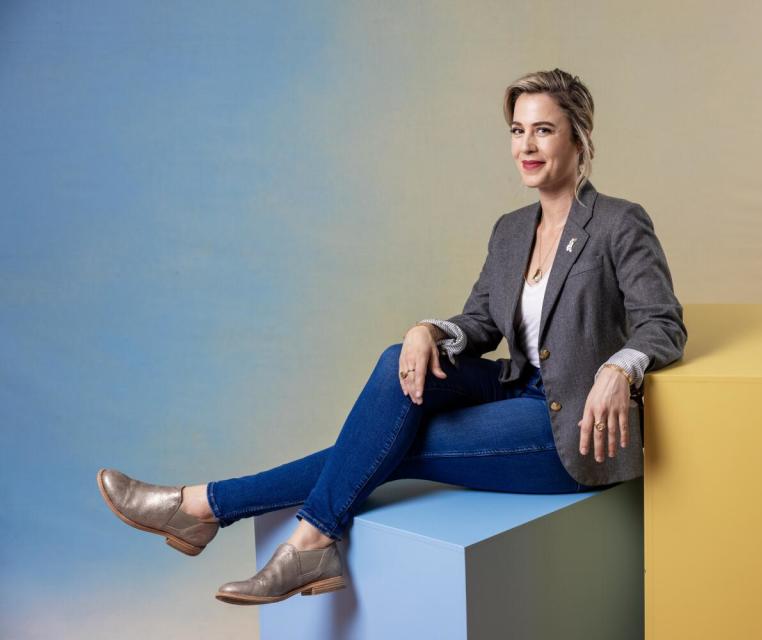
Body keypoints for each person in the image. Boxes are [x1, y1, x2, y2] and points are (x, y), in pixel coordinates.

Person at [96, 67, 687, 606]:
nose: (526, 147)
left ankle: (212, 510)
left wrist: (620, 367)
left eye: (543, 131)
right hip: (515, 384)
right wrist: (426, 330)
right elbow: (480, 323)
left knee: (400, 447)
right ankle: (265, 529)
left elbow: (663, 321)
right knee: (394, 360)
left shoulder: (617, 222)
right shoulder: (510, 231)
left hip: (572, 428)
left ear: (578, 140)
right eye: (517, 131)